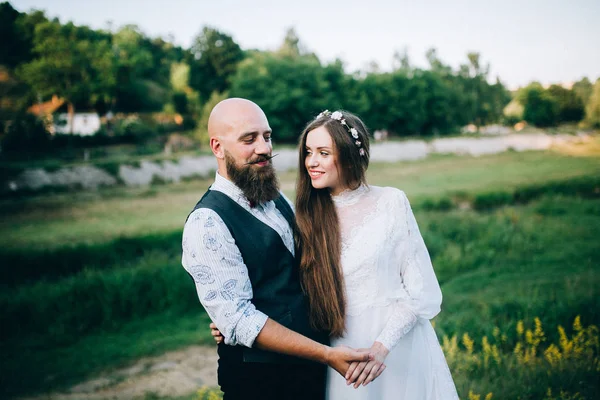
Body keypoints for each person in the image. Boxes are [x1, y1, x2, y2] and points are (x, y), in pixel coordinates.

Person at [181, 99, 374, 400]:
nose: (264, 148)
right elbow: (240, 320)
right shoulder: (207, 223)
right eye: (249, 139)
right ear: (217, 148)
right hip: (262, 382)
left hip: (307, 373)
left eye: (267, 137)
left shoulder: (275, 198)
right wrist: (325, 354)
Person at [296, 110, 459, 399]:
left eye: (323, 152)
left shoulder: (391, 202)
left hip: (399, 347)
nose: (312, 162)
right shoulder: (306, 217)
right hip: (344, 354)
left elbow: (420, 290)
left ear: (348, 156)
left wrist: (381, 347)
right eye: (308, 152)